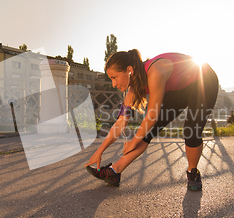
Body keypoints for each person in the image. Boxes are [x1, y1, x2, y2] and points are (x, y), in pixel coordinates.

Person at [85, 49, 219, 190]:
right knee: (147, 131)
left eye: (114, 77)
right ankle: (114, 171)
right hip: (181, 86)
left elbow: (152, 115)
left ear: (129, 70)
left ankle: (193, 173)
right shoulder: (132, 91)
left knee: (191, 130)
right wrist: (99, 151)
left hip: (204, 79)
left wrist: (134, 141)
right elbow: (120, 123)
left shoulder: (155, 71)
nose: (113, 84)